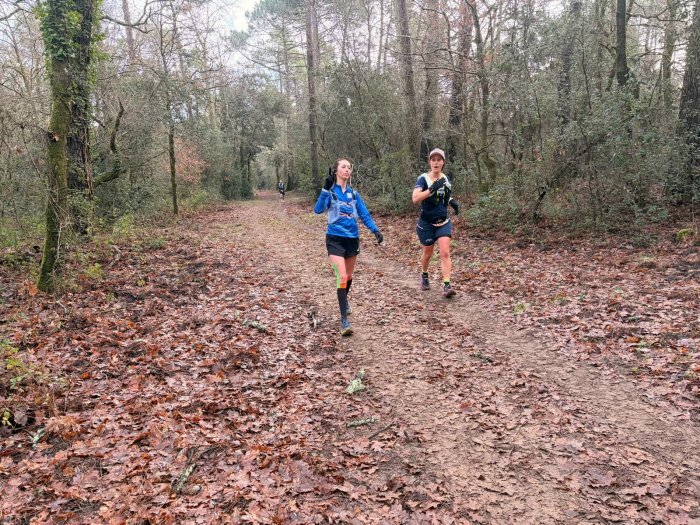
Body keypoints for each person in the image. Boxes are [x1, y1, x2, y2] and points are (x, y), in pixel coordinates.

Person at [314, 158, 383, 336]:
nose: (347, 169)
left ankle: (344, 300)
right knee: (342, 276)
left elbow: (364, 214)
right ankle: (344, 320)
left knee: (349, 276)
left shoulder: (354, 194)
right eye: (343, 167)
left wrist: (375, 230)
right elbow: (318, 209)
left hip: (352, 238)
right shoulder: (331, 192)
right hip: (334, 238)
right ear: (336, 171)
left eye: (349, 167)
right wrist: (325, 189)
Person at [412, 148, 460, 298]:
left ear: (443, 162)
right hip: (426, 223)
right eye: (433, 160)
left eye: (439, 160)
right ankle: (424, 274)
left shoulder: (445, 178)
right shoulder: (423, 179)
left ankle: (447, 285)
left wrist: (452, 202)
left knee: (445, 252)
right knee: (427, 254)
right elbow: (415, 198)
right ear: (429, 162)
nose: (436, 163)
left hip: (443, 221)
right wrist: (431, 189)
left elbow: (444, 195)